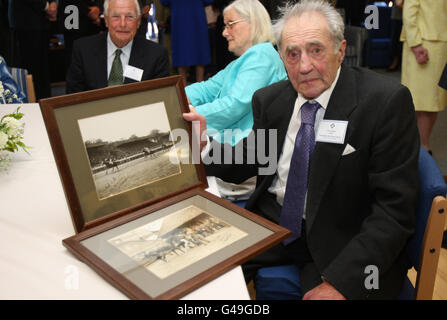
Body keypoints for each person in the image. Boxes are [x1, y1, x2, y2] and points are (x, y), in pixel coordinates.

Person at [184, 0, 419, 299]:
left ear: (341, 50)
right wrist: (205, 147)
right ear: (281, 57)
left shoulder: (384, 103)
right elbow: (254, 157)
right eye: (292, 54)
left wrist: (341, 283)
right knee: (192, 279)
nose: (304, 66)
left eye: (316, 50)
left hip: (339, 241)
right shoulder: (273, 100)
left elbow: (393, 211)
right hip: (271, 227)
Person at [186, 0, 287, 202]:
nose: (224, 32)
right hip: (230, 156)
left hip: (241, 164)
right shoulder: (243, 61)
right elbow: (205, 89)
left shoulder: (261, 56)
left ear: (254, 23)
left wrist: (184, 116)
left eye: (230, 24)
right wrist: (172, 97)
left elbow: (234, 106)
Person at [66, 0, 170, 94]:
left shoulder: (156, 55)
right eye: (115, 17)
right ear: (106, 20)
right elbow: (72, 99)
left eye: (129, 17)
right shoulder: (83, 50)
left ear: (138, 22)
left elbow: (160, 102)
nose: (123, 24)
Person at [400, 0, 447, 154]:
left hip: (438, 43)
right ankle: (422, 149)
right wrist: (416, 44)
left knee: (433, 101)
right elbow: (409, 12)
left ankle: (420, 148)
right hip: (424, 44)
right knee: (423, 102)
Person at [8, 0, 57, 100]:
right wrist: (47, 6)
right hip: (26, 22)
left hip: (40, 21)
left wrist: (53, 3)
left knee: (41, 69)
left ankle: (43, 103)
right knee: (30, 69)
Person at [160, 0, 213, 86]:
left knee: (181, 51)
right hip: (196, 16)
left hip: (179, 17)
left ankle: (183, 88)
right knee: (199, 50)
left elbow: (165, 2)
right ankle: (200, 84)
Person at [58, 1, 103, 73]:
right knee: (76, 60)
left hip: (85, 24)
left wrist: (98, 9)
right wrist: (91, 12)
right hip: (75, 23)